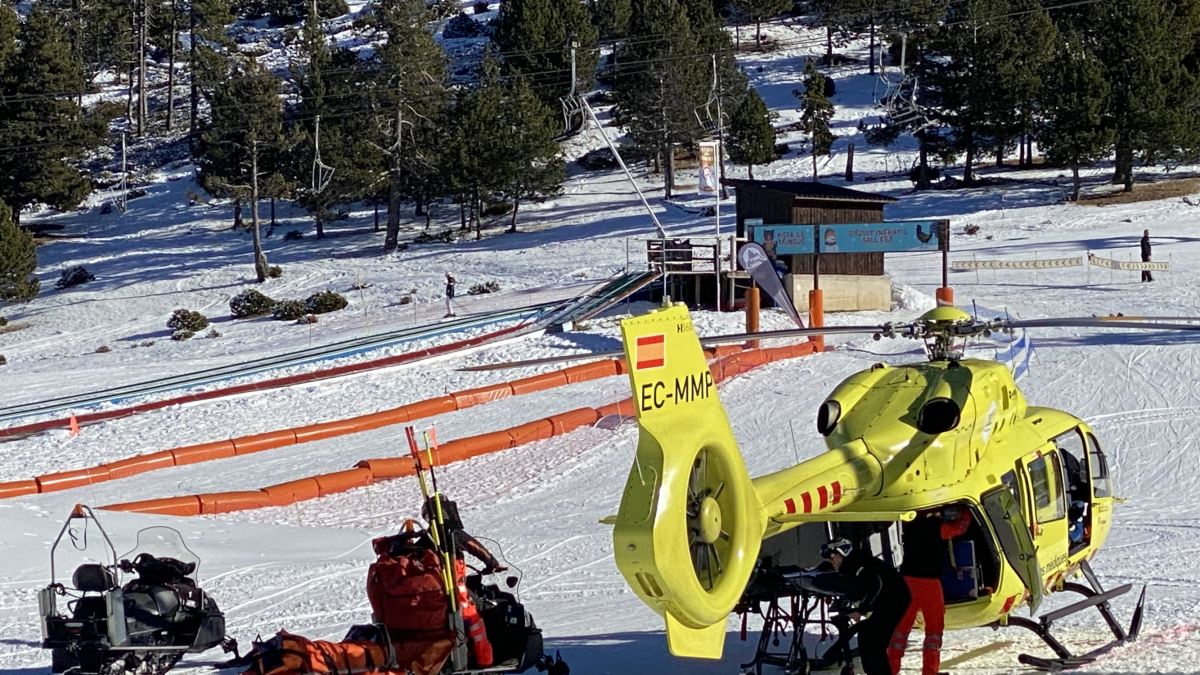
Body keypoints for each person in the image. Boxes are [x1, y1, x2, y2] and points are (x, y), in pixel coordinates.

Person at [422, 497, 506, 667]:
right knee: (477, 619)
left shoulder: (426, 538)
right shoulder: (452, 533)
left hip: (434, 594)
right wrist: (492, 564)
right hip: (455, 592)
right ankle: (486, 662)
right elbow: (475, 547)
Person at [887, 507, 972, 675]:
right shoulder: (937, 527)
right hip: (929, 584)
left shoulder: (909, 525)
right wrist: (966, 514)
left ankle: (890, 670)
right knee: (933, 631)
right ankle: (930, 671)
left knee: (900, 630)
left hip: (907, 582)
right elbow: (958, 529)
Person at [823, 538, 911, 675]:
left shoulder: (857, 563)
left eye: (832, 556)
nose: (830, 560)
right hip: (892, 599)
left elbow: (875, 584)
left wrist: (861, 610)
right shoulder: (853, 562)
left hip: (894, 600)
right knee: (868, 637)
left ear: (843, 552)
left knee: (871, 642)